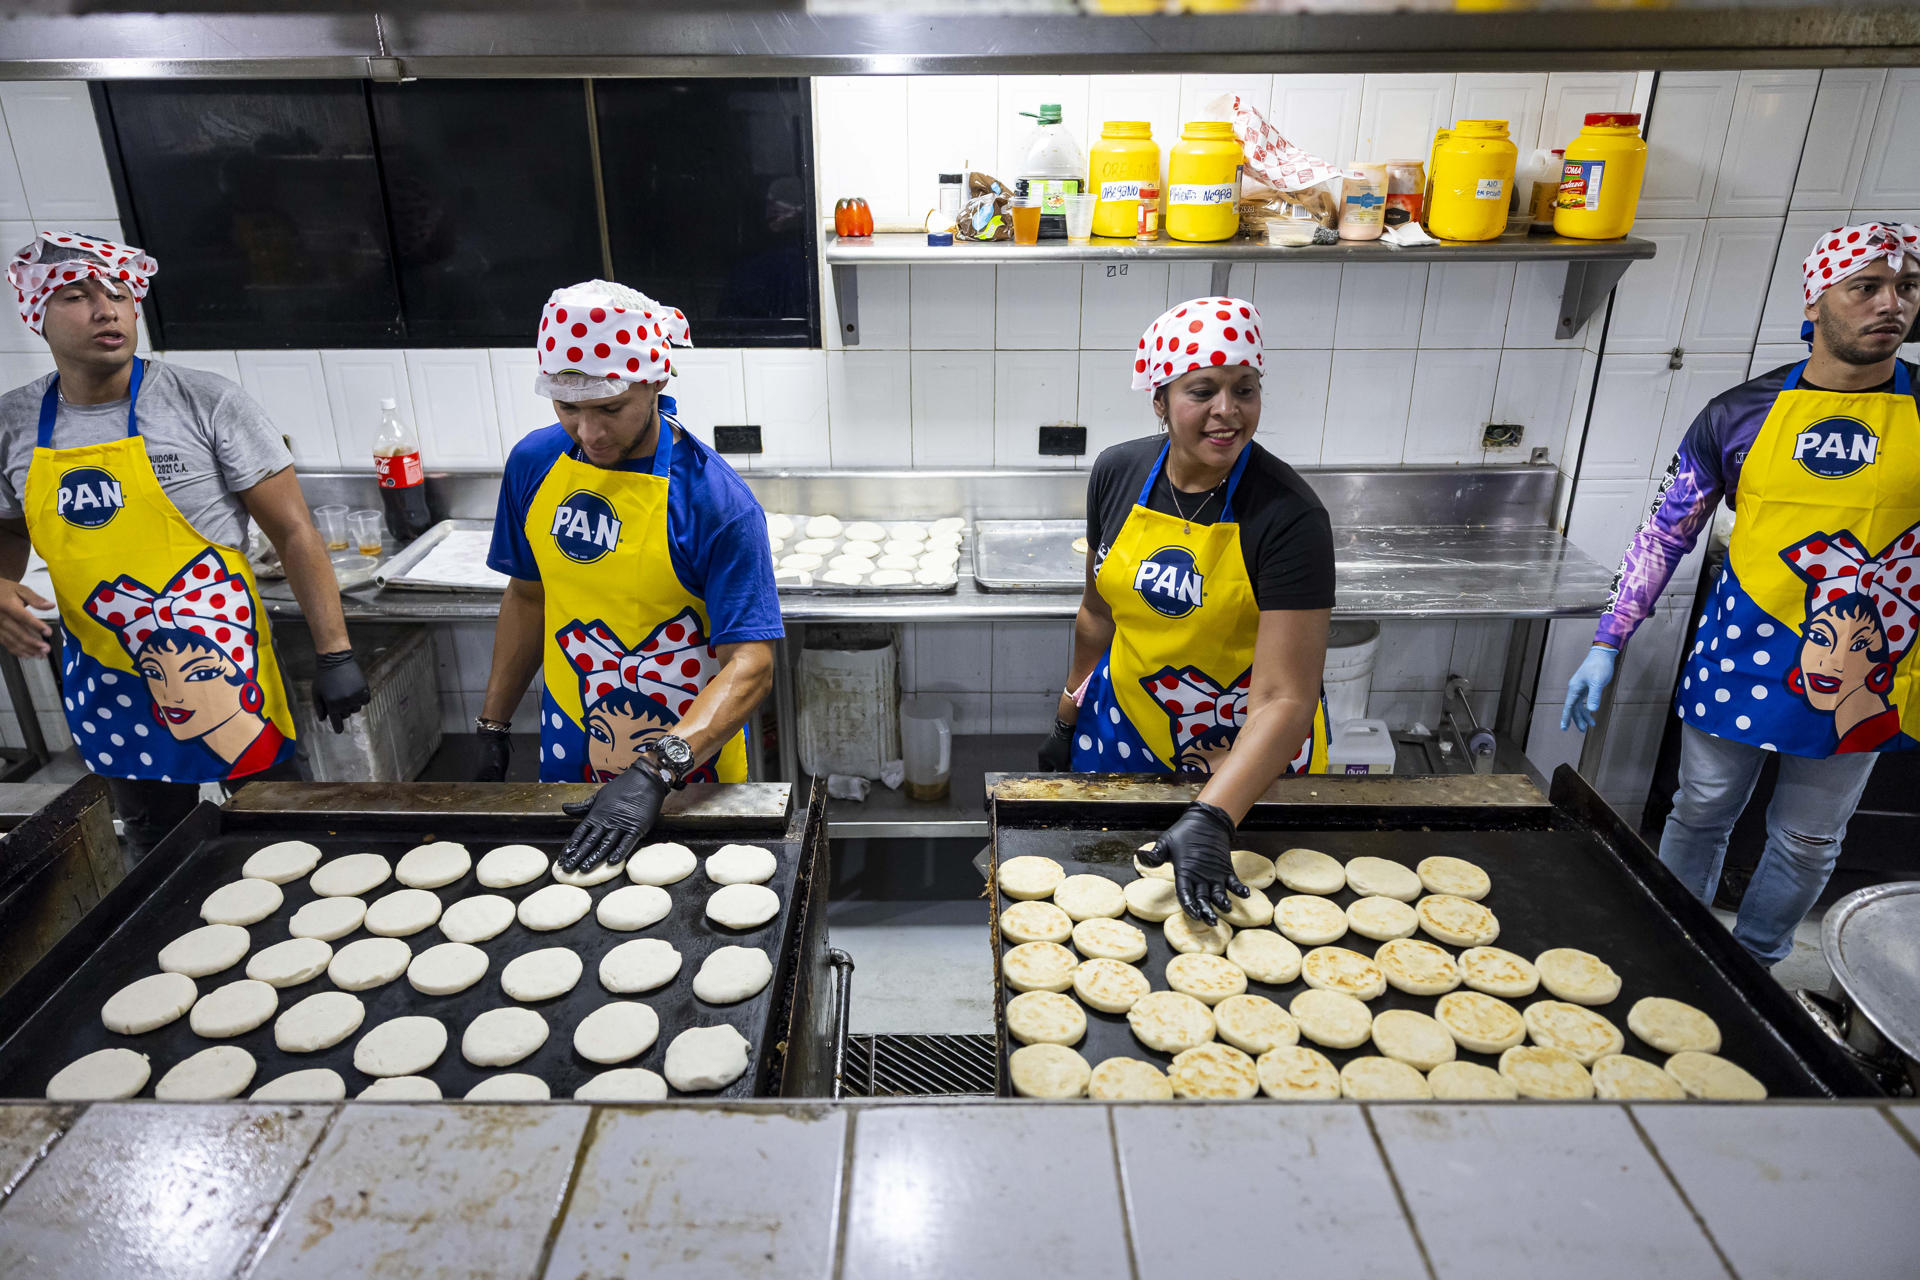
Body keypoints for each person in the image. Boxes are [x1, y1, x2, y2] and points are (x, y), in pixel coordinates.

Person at [1563, 221, 1920, 965]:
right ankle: (1673, 950)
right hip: (1744, 649)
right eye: (1866, 287)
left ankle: (1755, 964)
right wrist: (1607, 639)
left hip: (1870, 666)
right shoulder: (1737, 414)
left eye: (1907, 287)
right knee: (1699, 811)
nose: (1891, 304)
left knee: (1809, 837)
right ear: (1815, 303)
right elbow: (1665, 533)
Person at [0, 231, 369, 851]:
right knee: (156, 851)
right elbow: (10, 527)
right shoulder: (12, 422)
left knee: (284, 834)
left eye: (120, 294)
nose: (106, 310)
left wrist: (335, 652)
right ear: (37, 315)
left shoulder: (206, 401)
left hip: (227, 670)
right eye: (77, 296)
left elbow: (293, 530)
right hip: (111, 678)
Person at [1036, 296, 1335, 923]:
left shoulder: (1289, 515)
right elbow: (1097, 613)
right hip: (1122, 729)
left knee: (1240, 927)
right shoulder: (1118, 472)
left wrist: (1214, 815)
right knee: (1107, 903)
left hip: (1246, 750)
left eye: (1245, 389)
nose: (1228, 411)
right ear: (1161, 400)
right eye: (1203, 391)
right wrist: (1068, 712)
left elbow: (1286, 696)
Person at [476, 279, 782, 872]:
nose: (588, 434)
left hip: (687, 759)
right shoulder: (534, 465)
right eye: (568, 408)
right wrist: (493, 725)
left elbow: (752, 665)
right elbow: (529, 597)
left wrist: (655, 770)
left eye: (610, 409)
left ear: (656, 381)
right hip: (573, 737)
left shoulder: (715, 502)